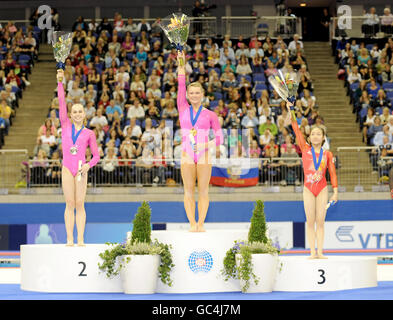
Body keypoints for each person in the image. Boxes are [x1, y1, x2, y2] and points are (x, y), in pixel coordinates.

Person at [176, 50, 223, 232]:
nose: (194, 95)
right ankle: (192, 224)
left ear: (202, 94)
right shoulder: (182, 108)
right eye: (191, 93)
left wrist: (206, 144)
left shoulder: (210, 114)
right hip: (187, 154)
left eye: (197, 92)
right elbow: (180, 85)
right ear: (187, 95)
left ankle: (201, 224)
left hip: (203, 155)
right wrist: (181, 65)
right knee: (188, 191)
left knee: (203, 191)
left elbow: (219, 137)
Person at [287, 100, 338, 259]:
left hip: (322, 188)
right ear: (309, 137)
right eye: (313, 133)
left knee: (320, 222)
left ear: (323, 138)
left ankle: (321, 252)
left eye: (319, 134)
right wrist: (291, 110)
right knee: (310, 222)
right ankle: (312, 252)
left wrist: (335, 192)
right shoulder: (304, 149)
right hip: (308, 189)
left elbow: (332, 173)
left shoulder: (327, 154)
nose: (315, 136)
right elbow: (295, 128)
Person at [57, 69, 100, 246]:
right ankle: (69, 238)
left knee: (80, 203)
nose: (76, 114)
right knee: (69, 202)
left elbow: (97, 155)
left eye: (79, 112)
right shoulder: (65, 125)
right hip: (67, 167)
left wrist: (89, 165)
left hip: (81, 169)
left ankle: (80, 238)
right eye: (74, 111)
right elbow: (61, 103)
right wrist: (60, 82)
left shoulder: (89, 133)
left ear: (84, 114)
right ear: (70, 114)